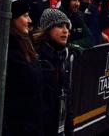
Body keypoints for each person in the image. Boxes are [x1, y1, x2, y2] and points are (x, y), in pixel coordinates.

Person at [3, 0, 44, 136]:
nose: (30, 20)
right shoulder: (9, 51)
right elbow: (32, 79)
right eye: (25, 15)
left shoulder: (24, 42)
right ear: (12, 18)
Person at [35, 8, 73, 136]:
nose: (65, 31)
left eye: (67, 27)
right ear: (47, 30)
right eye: (59, 26)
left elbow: (67, 96)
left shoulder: (64, 57)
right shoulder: (38, 58)